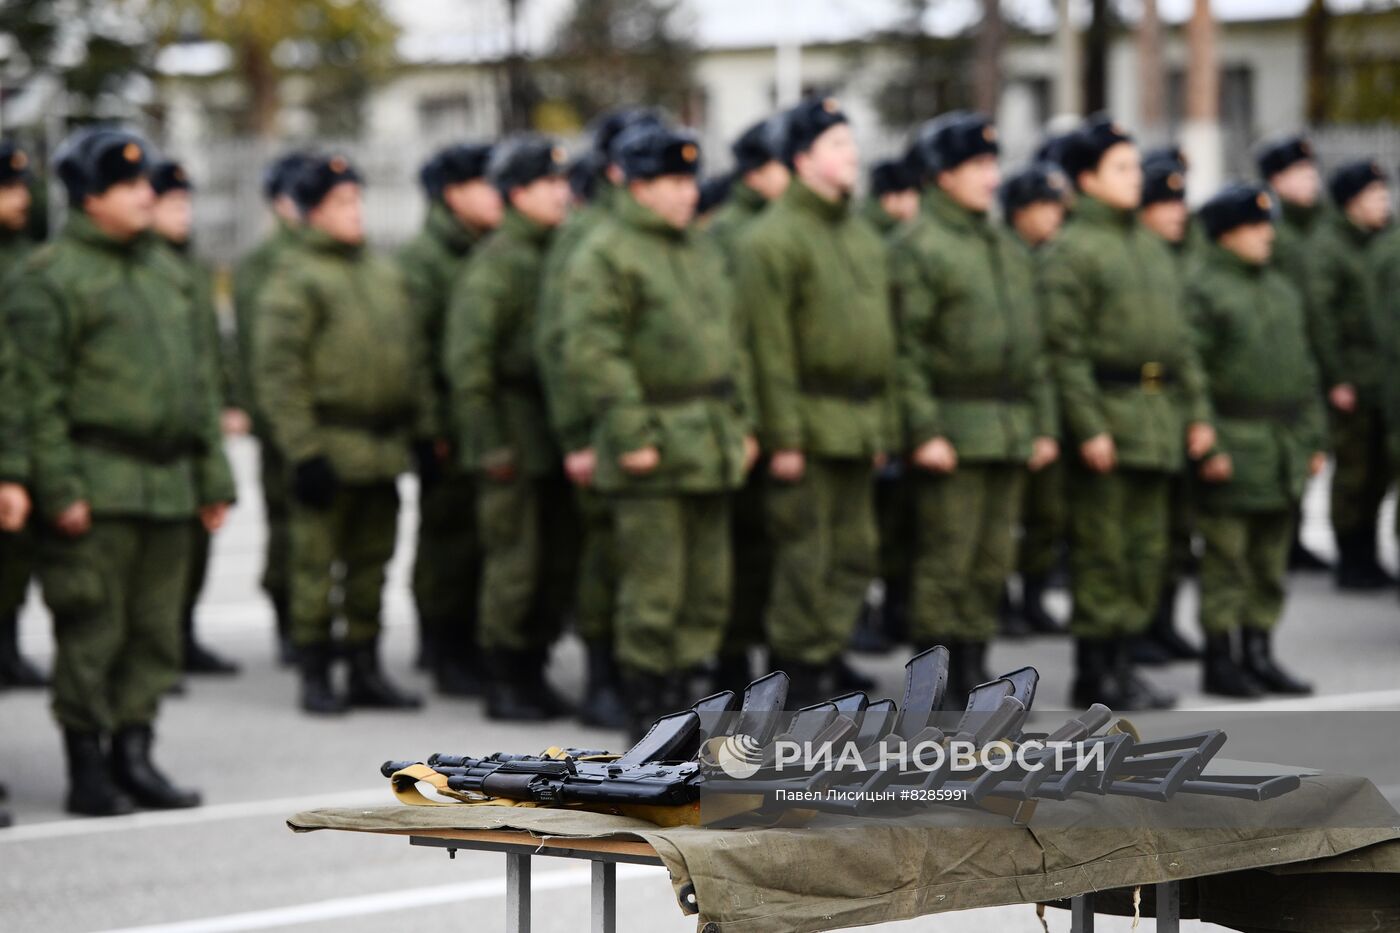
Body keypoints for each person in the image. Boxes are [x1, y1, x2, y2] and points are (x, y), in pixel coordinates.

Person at [7, 127, 235, 815]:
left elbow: (199, 383)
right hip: (96, 482)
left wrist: (214, 475)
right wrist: (59, 487)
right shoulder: (48, 279)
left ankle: (135, 754)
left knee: (154, 631)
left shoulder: (171, 274)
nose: (146, 193)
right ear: (88, 195)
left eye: (147, 182)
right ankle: (88, 765)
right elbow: (32, 394)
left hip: (168, 485)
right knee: (92, 628)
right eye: (129, 184)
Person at [563, 124, 756, 736]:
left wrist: (744, 422)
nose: (686, 193)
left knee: (706, 592)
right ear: (637, 186)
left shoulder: (699, 247)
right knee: (653, 593)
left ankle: (682, 708)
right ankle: (647, 721)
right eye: (672, 181)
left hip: (709, 438)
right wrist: (631, 435)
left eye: (689, 180)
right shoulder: (605, 251)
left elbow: (733, 344)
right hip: (654, 440)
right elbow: (597, 352)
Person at [1043, 116, 1214, 710]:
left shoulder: (1149, 245)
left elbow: (1181, 340)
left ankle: (1125, 663)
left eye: (1135, 165)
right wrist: (1088, 425)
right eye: (1121, 167)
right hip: (1109, 417)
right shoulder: (1073, 249)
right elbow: (1063, 350)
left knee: (1146, 550)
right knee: (1103, 551)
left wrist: (1197, 413)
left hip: (1157, 416)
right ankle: (1095, 673)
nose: (1135, 177)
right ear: (1087, 179)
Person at [254, 154, 429, 715]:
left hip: (380, 450)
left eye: (357, 199)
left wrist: (424, 431)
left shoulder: (384, 274)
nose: (354, 212)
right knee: (314, 566)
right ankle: (315, 671)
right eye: (340, 203)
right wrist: (303, 453)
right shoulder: (295, 279)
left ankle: (364, 665)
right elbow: (279, 374)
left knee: (372, 564)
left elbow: (413, 359)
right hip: (328, 445)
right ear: (309, 213)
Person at [893, 112, 1058, 706]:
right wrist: (926, 429)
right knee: (946, 562)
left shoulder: (1002, 245)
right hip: (954, 429)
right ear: (943, 176)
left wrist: (1040, 423)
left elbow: (1034, 346)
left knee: (991, 561)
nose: (990, 176)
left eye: (992, 164)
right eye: (976, 166)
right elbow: (906, 351)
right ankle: (933, 691)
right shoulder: (919, 246)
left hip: (1006, 428)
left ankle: (973, 670)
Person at [737, 96, 897, 705]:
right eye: (835, 144)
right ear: (801, 158)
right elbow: (767, 348)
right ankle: (796, 682)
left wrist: (881, 426)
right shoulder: (773, 238)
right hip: (806, 418)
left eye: (851, 143)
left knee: (854, 555)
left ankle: (827, 664)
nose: (850, 155)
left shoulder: (860, 235)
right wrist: (784, 435)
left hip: (856, 421)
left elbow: (885, 340)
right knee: (805, 557)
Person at [445, 136, 583, 722]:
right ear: (518, 193)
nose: (562, 192)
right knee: (514, 563)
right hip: (513, 434)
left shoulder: (560, 252)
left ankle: (534, 667)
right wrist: (489, 442)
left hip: (551, 432)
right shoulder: (499, 261)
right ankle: (504, 678)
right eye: (548, 184)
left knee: (554, 561)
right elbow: (468, 362)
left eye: (562, 182)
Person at [535, 108, 662, 728]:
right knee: (605, 557)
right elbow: (563, 348)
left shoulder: (657, 235)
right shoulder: (586, 237)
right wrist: (577, 436)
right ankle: (603, 677)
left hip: (655, 424)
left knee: (645, 563)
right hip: (601, 426)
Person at [1190, 183, 1323, 697]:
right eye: (1255, 226)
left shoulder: (1281, 288)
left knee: (1269, 562)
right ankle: (1221, 658)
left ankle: (1260, 650)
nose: (1268, 235)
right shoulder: (1206, 289)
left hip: (1282, 443)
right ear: (1226, 235)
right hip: (1234, 439)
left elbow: (1305, 370)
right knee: (1228, 560)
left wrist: (1313, 439)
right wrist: (1210, 443)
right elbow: (1192, 370)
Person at [398, 141, 500, 696]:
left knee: (479, 540)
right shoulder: (425, 260)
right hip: (446, 421)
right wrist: (429, 429)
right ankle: (442, 645)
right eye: (483, 185)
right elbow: (414, 353)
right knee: (447, 539)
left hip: (478, 418)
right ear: (453, 194)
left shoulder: (483, 250)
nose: (496, 195)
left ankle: (467, 642)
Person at [706, 114, 790, 691]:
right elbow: (735, 339)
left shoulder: (779, 229)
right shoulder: (733, 234)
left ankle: (772, 668)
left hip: (777, 409)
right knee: (738, 549)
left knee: (773, 550)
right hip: (745, 410)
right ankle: (732, 664)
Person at [148, 160, 241, 677]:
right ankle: (158, 648)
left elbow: (209, 347)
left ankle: (182, 634)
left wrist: (227, 397)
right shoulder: (150, 269)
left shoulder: (191, 267)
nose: (185, 214)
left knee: (197, 543)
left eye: (187, 204)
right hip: (158, 430)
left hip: (196, 422)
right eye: (174, 204)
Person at [232, 151, 314, 664]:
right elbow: (253, 348)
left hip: (322, 413)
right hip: (280, 416)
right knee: (287, 524)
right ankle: (289, 618)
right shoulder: (264, 263)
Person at [1305, 160, 1393, 591]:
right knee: (1354, 471)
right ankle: (1351, 553)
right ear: (1350, 204)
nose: (1384, 203)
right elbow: (1322, 318)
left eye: (1384, 194)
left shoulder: (1386, 240)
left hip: (1385, 376)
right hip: (1353, 374)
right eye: (1374, 196)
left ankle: (1371, 553)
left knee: (1380, 470)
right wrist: (1336, 377)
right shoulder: (1330, 246)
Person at [1134, 148, 1204, 666]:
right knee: (1144, 530)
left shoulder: (1188, 257)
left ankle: (1163, 620)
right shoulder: (1139, 259)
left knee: (1178, 529)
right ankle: (1137, 628)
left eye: (1180, 205)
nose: (1177, 213)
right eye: (1165, 205)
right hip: (1145, 405)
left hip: (1182, 402)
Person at [1255, 134, 1332, 574]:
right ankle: (1281, 535)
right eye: (1300, 173)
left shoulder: (1321, 225)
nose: (1311, 180)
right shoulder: (1273, 231)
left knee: (1309, 445)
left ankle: (1297, 533)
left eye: (1312, 171)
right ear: (1275, 180)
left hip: (1315, 348)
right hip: (1285, 348)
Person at [1000, 162, 1071, 638]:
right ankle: (1001, 601)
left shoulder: (1058, 256)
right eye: (1043, 206)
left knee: (1046, 512)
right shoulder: (1006, 257)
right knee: (1006, 516)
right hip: (1008, 400)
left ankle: (1032, 595)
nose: (1053, 216)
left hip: (1049, 395)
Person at [0, 140, 46, 689]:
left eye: (22, 188)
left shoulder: (31, 257)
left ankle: (8, 648)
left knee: (16, 558)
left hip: (22, 423)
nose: (20, 199)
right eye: (8, 189)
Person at [864, 156, 920, 234]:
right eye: (909, 196)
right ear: (889, 199)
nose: (914, 202)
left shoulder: (898, 222)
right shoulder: (870, 227)